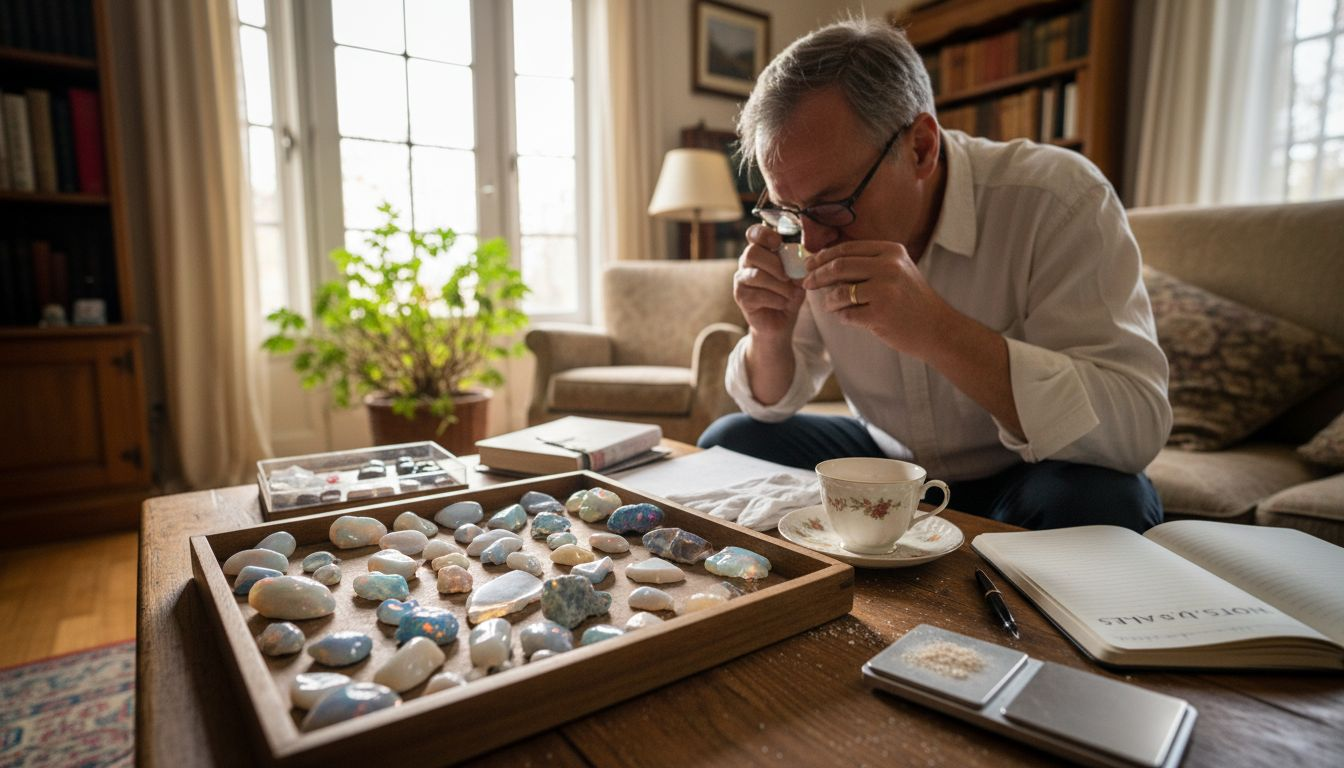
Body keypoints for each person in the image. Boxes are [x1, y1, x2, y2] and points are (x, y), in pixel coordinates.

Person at [697, 18, 1171, 532]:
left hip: (1027, 471)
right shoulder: (807, 229)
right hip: (887, 459)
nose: (810, 242)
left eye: (833, 205)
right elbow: (769, 406)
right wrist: (769, 333)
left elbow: (1137, 426)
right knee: (730, 444)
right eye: (789, 208)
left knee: (1105, 506)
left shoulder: (1057, 199)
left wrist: (938, 331)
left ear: (921, 147)